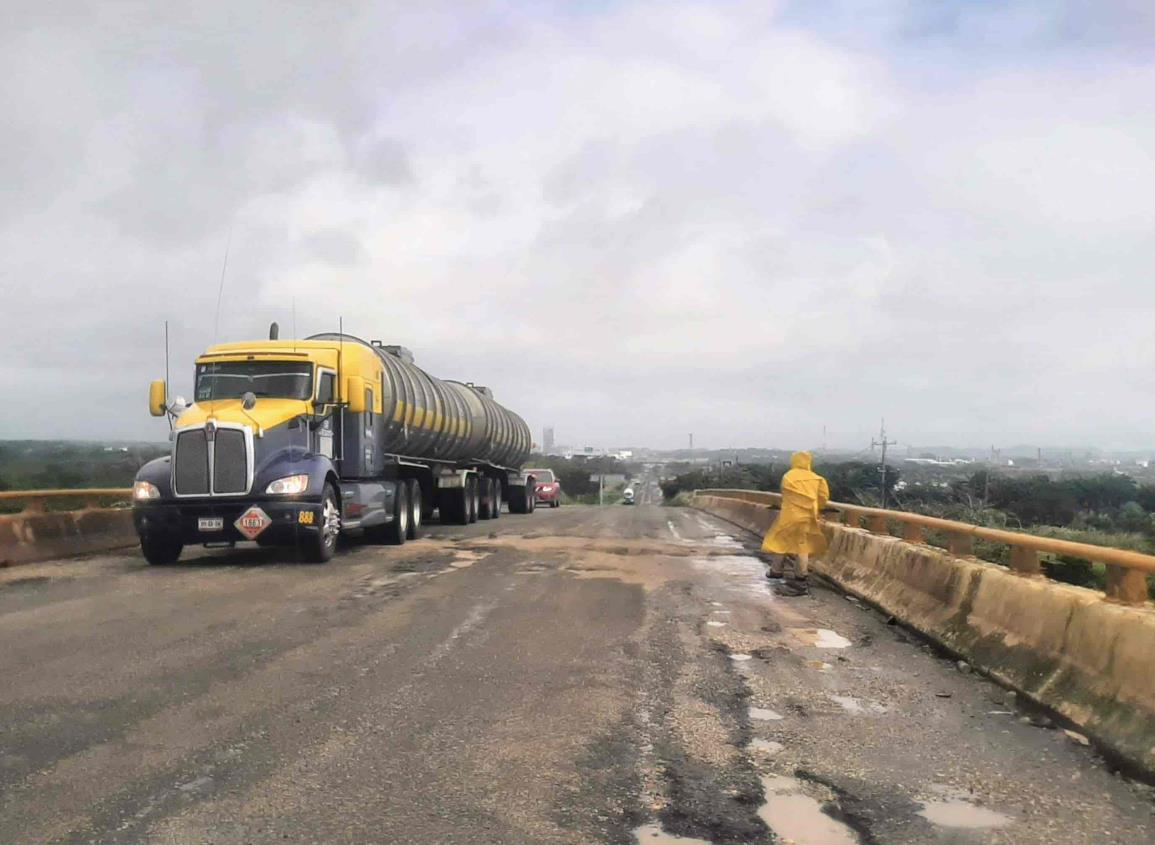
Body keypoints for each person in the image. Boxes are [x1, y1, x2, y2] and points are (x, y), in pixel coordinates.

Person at [761, 451, 830, 596]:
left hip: (789, 515)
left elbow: (784, 494)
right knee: (802, 543)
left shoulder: (788, 476)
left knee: (781, 541)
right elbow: (823, 497)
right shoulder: (817, 479)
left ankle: (776, 571)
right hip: (807, 516)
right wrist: (819, 508)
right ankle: (801, 574)